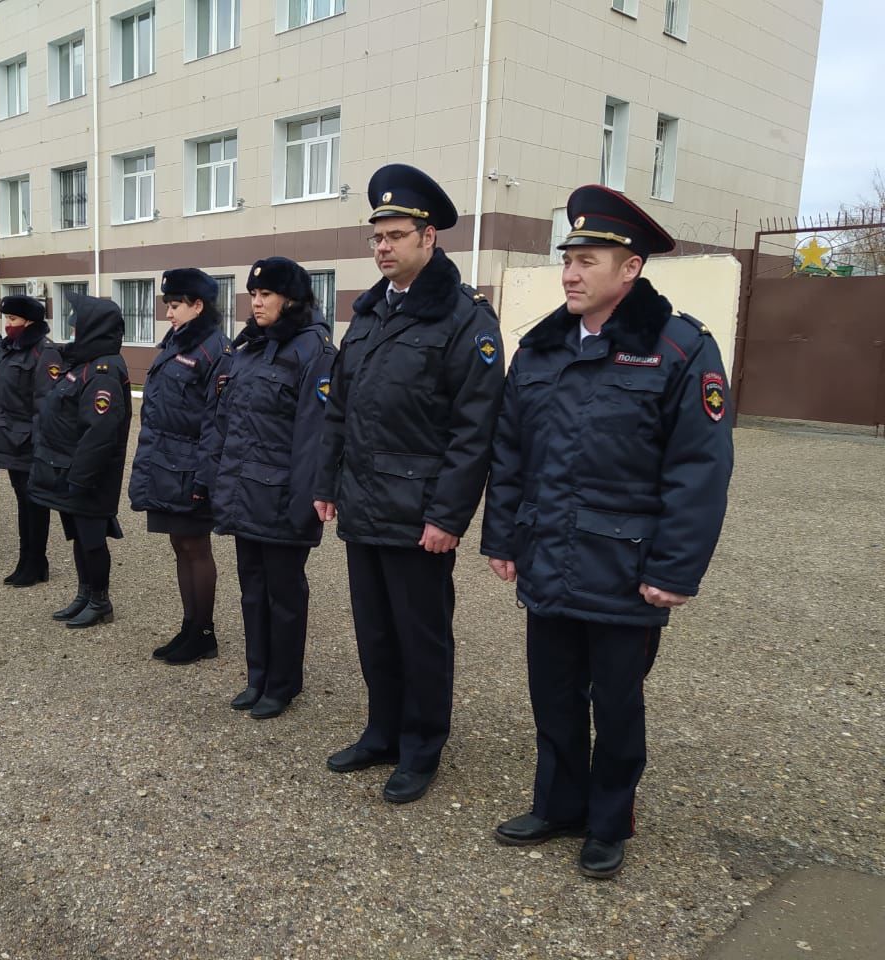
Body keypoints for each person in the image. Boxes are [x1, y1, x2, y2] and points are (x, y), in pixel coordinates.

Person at [480, 185, 734, 879]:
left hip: (625, 569)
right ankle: (558, 805)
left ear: (630, 269)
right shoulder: (540, 349)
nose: (570, 273)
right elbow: (511, 453)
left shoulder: (679, 350)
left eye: (587, 259)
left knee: (616, 704)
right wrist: (502, 537)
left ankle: (608, 818)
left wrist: (675, 570)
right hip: (549, 558)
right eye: (568, 259)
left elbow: (699, 469)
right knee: (553, 694)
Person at [313, 164, 504, 804]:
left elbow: (474, 429)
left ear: (429, 238)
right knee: (374, 629)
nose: (383, 247)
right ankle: (382, 730)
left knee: (421, 635)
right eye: (377, 237)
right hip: (365, 503)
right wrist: (326, 481)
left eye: (396, 235)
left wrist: (448, 517)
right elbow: (339, 406)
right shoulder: (368, 314)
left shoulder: (462, 318)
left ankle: (422, 745)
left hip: (419, 510)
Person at [209, 258, 335, 713]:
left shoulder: (312, 350)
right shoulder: (248, 349)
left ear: (292, 300)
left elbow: (313, 436)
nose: (256, 302)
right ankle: (257, 675)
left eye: (266, 295)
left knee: (284, 595)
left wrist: (302, 505)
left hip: (282, 496)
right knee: (251, 590)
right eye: (253, 294)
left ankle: (283, 683)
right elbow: (227, 425)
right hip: (246, 494)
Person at [128, 269, 232, 662]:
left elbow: (215, 422)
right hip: (167, 462)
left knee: (195, 546)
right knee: (179, 545)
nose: (168, 313)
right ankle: (189, 626)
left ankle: (204, 633)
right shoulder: (177, 343)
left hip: (191, 466)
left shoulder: (214, 351)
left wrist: (205, 479)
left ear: (197, 305)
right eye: (167, 305)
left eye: (175, 305)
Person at [28, 292, 132, 629]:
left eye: (78, 320)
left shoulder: (102, 371)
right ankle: (84, 593)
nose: (72, 325)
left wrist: (80, 477)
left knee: (92, 539)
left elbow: (100, 432)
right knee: (79, 537)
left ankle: (100, 600)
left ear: (94, 326)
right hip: (69, 470)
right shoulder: (82, 363)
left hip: (88, 476)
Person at [0, 293, 63, 587]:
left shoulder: (44, 352)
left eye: (13, 319)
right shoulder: (10, 349)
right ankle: (26, 559)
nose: (8, 325)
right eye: (6, 319)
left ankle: (36, 561)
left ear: (30, 321)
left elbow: (46, 404)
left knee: (35, 504)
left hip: (30, 442)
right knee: (22, 502)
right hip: (11, 440)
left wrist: (40, 445)